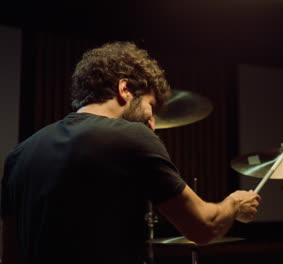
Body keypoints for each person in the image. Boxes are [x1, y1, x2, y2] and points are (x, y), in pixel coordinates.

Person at [1, 41, 261, 264]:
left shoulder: (18, 155)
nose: (152, 124)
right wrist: (235, 203)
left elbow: (10, 256)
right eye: (150, 106)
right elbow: (203, 227)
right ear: (125, 89)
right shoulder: (132, 136)